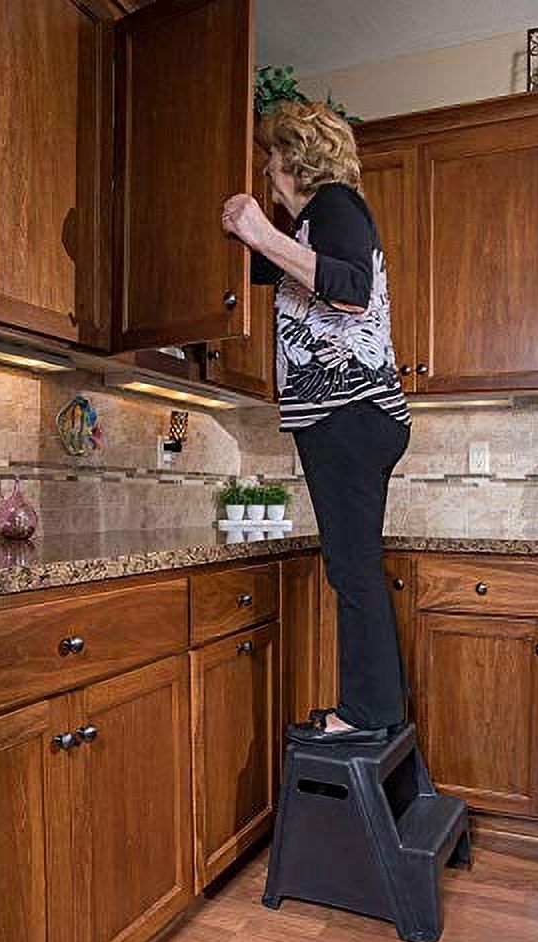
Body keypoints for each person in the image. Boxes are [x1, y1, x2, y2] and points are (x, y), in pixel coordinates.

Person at [222, 101, 411, 744]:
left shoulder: (333, 204)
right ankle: (378, 704)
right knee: (354, 566)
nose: (267, 169)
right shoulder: (312, 227)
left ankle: (368, 711)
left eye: (272, 155)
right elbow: (270, 266)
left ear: (297, 159)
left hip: (348, 413)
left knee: (352, 569)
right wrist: (246, 237)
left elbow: (352, 289)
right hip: (350, 417)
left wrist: (262, 234)